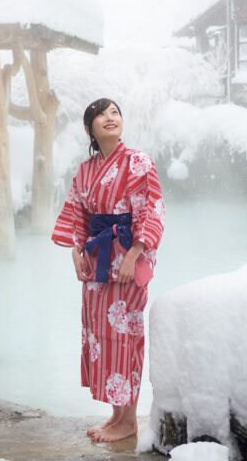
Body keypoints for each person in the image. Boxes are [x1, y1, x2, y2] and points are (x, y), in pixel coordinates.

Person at [51, 98, 165, 443]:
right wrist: (75, 250)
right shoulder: (85, 170)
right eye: (101, 114)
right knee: (101, 334)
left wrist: (135, 253)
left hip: (127, 259)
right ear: (90, 128)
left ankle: (129, 420)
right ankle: (116, 415)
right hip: (96, 261)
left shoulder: (138, 162)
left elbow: (150, 209)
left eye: (115, 112)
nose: (110, 117)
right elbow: (77, 214)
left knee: (125, 334)